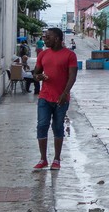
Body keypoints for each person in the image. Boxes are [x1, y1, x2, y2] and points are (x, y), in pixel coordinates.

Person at [32, 28, 78, 171]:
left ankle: (57, 159)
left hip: (61, 98)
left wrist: (65, 93)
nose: (45, 39)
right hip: (44, 97)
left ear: (57, 38)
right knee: (42, 125)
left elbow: (72, 76)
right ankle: (43, 159)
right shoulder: (43, 54)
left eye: (48, 37)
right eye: (45, 37)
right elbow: (36, 72)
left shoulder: (70, 55)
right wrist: (38, 77)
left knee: (58, 127)